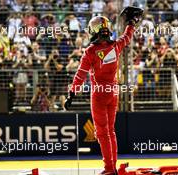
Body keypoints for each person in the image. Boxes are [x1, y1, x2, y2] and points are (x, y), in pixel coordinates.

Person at [64, 6, 143, 175]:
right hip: (113, 92)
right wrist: (131, 22)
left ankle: (109, 168)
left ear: (95, 31)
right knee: (111, 131)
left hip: (99, 95)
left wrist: (71, 94)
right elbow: (127, 37)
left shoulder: (90, 52)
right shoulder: (116, 46)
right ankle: (112, 167)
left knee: (102, 133)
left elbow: (80, 75)